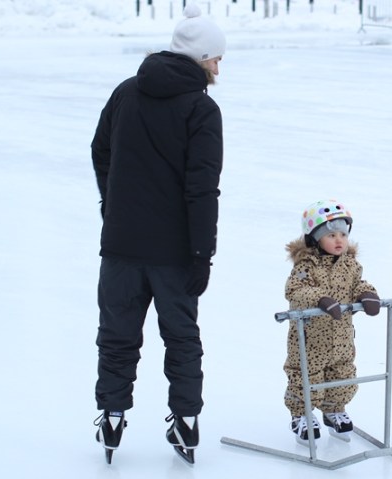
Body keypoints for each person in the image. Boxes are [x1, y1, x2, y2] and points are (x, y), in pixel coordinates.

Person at [90, 4, 225, 463]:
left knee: (117, 336)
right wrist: (202, 254)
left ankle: (111, 418)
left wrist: (112, 206)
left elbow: (100, 151)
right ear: (201, 58)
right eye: (216, 59)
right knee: (182, 340)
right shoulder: (201, 109)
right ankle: (186, 422)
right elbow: (202, 189)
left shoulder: (126, 92)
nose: (218, 68)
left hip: (121, 246)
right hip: (174, 254)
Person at [283, 199, 381, 444]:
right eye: (331, 235)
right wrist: (320, 299)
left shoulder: (350, 265)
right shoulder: (306, 266)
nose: (339, 240)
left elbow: (358, 283)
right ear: (315, 239)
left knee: (343, 375)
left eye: (343, 234)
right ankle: (301, 416)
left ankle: (334, 410)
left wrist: (366, 294)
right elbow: (295, 290)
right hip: (310, 341)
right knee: (306, 377)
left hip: (342, 339)